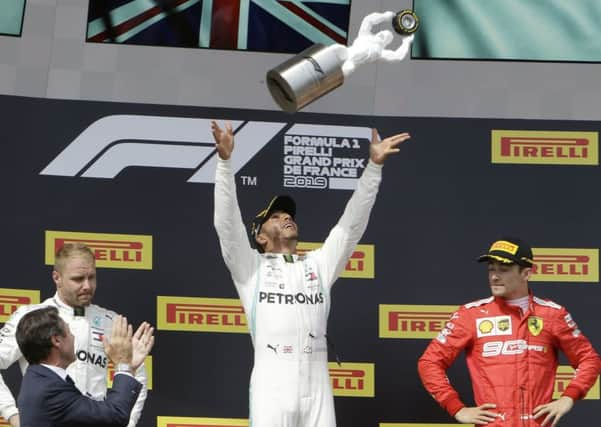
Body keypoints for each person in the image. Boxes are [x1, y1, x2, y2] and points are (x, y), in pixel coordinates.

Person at [212, 120, 410, 426]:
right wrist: (225, 163)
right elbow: (227, 224)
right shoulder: (249, 267)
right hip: (272, 386)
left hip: (317, 384)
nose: (286, 217)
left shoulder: (319, 264)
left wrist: (373, 168)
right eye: (275, 217)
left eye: (288, 214)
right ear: (260, 237)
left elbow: (351, 226)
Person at [418, 237, 601, 426]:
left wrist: (568, 398)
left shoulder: (552, 314)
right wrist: (456, 407)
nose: (495, 276)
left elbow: (589, 359)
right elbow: (429, 363)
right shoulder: (471, 315)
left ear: (526, 273)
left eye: (503, 270)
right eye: (491, 269)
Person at [0, 243, 148, 427]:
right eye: (78, 279)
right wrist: (12, 413)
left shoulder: (112, 321)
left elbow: (136, 375)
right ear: (57, 277)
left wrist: (129, 422)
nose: (87, 285)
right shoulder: (32, 319)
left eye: (92, 277)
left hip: (100, 420)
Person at [16, 306, 154, 427]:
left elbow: (96, 419)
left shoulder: (41, 379)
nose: (74, 337)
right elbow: (114, 415)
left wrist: (129, 368)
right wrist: (123, 364)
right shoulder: (50, 389)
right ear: (57, 340)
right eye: (69, 332)